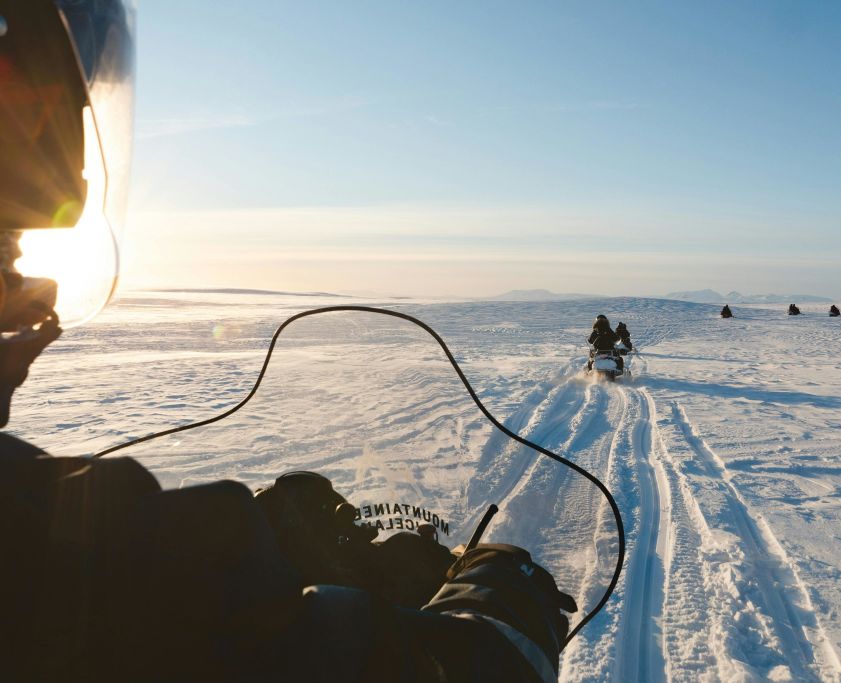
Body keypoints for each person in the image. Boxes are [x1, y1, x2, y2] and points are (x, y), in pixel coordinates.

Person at [0, 4, 577, 681]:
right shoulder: (50, 552)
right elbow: (289, 648)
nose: (24, 285)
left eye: (13, 250)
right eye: (8, 250)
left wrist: (264, 538)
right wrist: (495, 607)